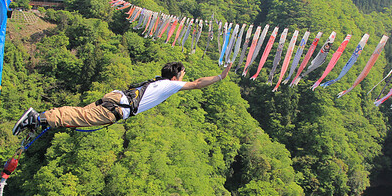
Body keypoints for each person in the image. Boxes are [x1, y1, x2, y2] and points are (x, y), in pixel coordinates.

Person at [12, 62, 232, 135]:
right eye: (182, 74)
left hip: (116, 98)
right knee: (80, 116)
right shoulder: (170, 85)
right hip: (117, 107)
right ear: (175, 76)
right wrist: (220, 77)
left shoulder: (158, 81)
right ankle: (38, 118)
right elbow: (196, 83)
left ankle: (41, 120)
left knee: (81, 114)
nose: (184, 78)